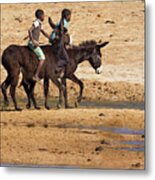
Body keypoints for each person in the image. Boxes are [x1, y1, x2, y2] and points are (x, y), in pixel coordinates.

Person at [48, 9, 72, 78]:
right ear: (67, 16)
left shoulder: (62, 21)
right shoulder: (63, 23)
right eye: (70, 16)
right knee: (66, 59)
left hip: (55, 40)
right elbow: (61, 32)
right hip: (58, 42)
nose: (70, 18)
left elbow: (55, 27)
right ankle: (57, 68)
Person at [28, 9, 50, 81]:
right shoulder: (37, 22)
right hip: (32, 43)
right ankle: (36, 75)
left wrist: (50, 37)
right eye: (43, 15)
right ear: (40, 16)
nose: (44, 17)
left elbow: (43, 32)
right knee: (42, 58)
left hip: (34, 42)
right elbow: (30, 30)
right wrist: (33, 41)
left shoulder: (40, 23)